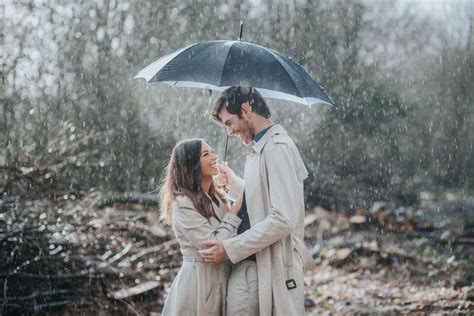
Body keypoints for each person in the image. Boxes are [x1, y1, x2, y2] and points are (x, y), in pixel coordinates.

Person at [199, 86, 316, 315]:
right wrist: (234, 184)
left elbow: (283, 218)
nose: (229, 132)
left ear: (245, 109)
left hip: (263, 269)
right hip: (251, 267)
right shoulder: (261, 148)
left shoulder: (277, 148)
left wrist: (229, 247)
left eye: (229, 123)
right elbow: (261, 200)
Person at [159, 139, 242, 316]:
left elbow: (233, 234)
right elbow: (215, 245)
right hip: (199, 284)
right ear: (192, 165)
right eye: (206, 154)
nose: (215, 157)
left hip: (222, 280)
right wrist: (234, 211)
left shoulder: (215, 196)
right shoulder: (183, 203)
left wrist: (233, 190)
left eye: (212, 152)